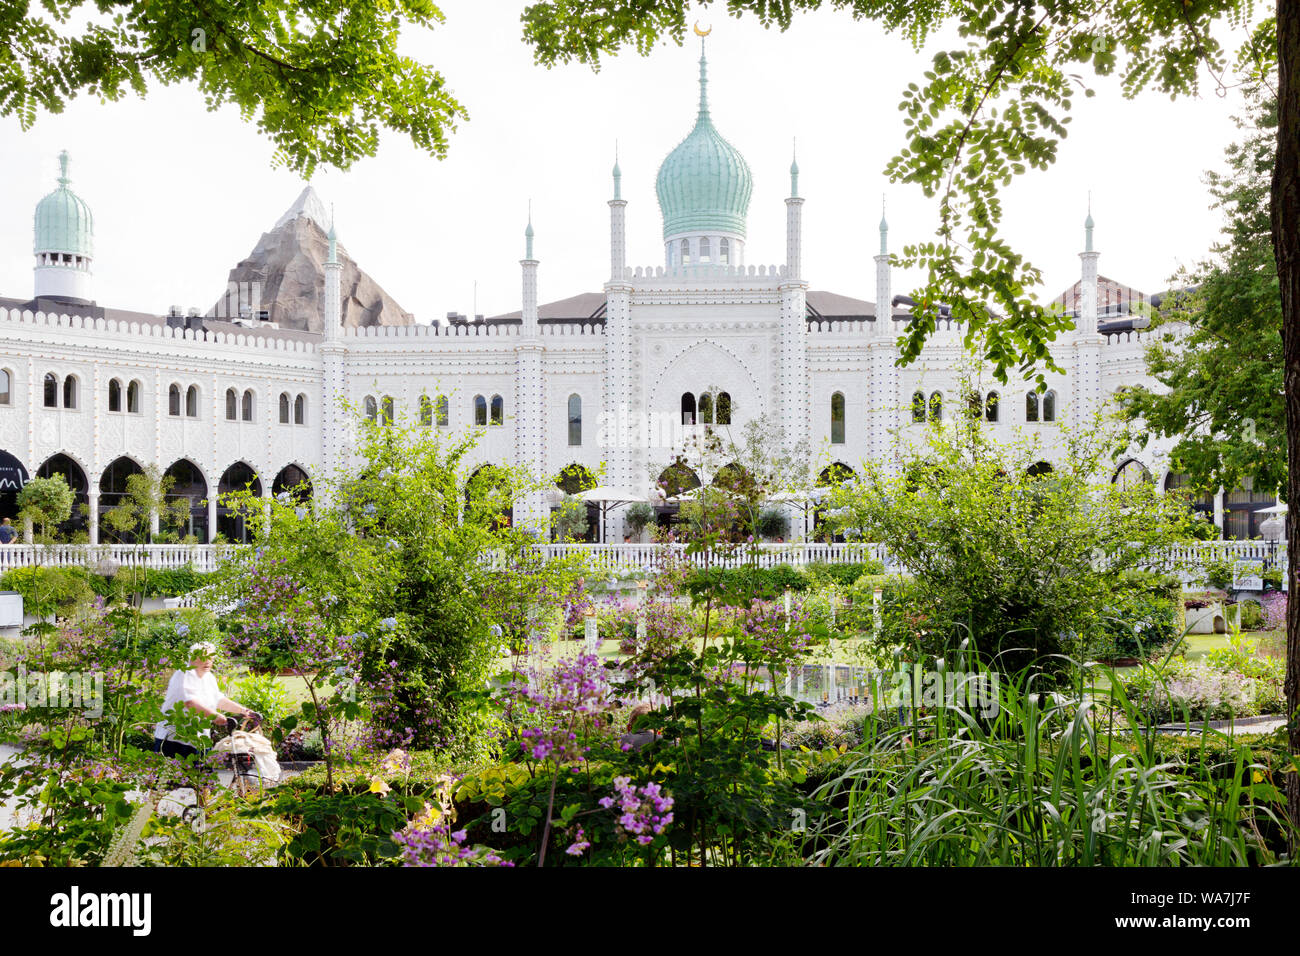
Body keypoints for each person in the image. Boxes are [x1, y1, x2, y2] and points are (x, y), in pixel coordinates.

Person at [153, 641, 257, 759]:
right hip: (175, 739)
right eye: (203, 657)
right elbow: (190, 703)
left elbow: (218, 700)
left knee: (203, 775)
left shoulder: (208, 677)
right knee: (179, 775)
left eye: (211, 658)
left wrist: (243, 710)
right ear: (192, 659)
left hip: (198, 739)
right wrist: (214, 715)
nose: (208, 661)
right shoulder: (185, 673)